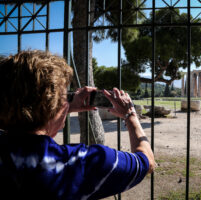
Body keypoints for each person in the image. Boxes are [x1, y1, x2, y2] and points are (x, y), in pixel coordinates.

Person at [0, 50, 155, 200]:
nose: (67, 102)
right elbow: (146, 162)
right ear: (53, 106)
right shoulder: (77, 162)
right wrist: (130, 115)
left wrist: (64, 106)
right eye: (65, 96)